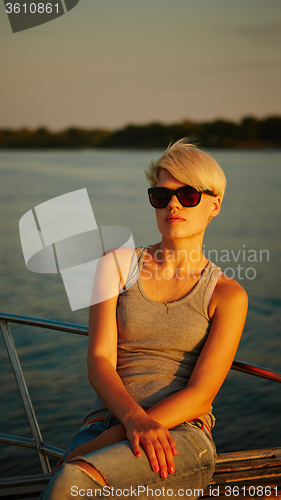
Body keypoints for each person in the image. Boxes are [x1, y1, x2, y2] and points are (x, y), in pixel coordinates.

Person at [41, 139, 248, 499]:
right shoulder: (117, 265)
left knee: (70, 484)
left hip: (180, 434)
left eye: (187, 195)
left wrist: (119, 435)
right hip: (103, 423)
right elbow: (99, 360)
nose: (172, 204)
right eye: (161, 195)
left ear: (214, 204)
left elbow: (200, 395)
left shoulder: (226, 295)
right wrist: (127, 424)